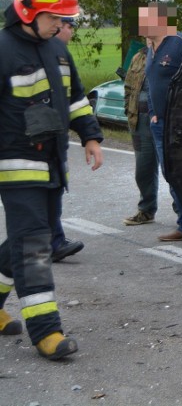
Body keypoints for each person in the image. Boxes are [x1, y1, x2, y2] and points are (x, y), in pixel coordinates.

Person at [0, 0, 103, 360]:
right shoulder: (2, 50)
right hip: (15, 167)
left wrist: (90, 136)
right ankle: (46, 331)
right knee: (33, 245)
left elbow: (75, 98)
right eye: (55, 18)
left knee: (26, 239)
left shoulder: (56, 49)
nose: (62, 26)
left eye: (65, 19)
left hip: (52, 167)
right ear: (28, 11)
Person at [140, 2, 182, 249]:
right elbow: (154, 83)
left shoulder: (181, 44)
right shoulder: (151, 47)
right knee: (170, 174)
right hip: (160, 124)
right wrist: (155, 113)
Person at [49, 16, 86, 262]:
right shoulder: (26, 51)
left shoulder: (61, 54)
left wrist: (90, 136)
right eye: (69, 26)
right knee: (32, 211)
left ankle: (54, 241)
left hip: (54, 140)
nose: (71, 32)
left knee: (53, 192)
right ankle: (50, 242)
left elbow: (75, 98)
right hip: (24, 147)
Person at [121, 45, 159, 226]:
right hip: (139, 123)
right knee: (143, 170)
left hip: (163, 121)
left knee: (172, 170)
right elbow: (128, 86)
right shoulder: (138, 57)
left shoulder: (172, 54)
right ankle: (146, 211)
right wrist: (128, 111)